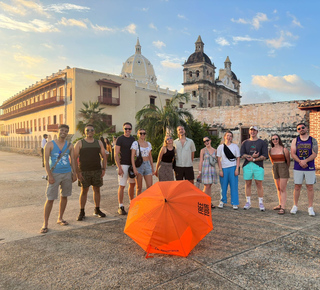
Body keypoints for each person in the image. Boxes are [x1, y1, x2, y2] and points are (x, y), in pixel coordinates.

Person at [40, 125, 77, 233]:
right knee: (50, 198)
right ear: (58, 131)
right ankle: (45, 223)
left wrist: (74, 173)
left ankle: (60, 218)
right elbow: (46, 161)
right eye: (62, 130)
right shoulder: (50, 144)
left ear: (68, 133)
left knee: (64, 196)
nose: (64, 132)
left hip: (67, 173)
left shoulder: (70, 145)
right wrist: (50, 175)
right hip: (55, 173)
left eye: (66, 131)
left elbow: (73, 160)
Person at [74, 124, 107, 221]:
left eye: (92, 130)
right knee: (84, 191)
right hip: (84, 171)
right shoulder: (80, 143)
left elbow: (104, 156)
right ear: (84, 132)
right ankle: (82, 211)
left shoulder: (98, 143)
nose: (90, 132)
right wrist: (77, 172)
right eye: (87, 130)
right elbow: (74, 157)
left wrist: (103, 169)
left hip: (97, 170)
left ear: (94, 131)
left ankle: (97, 209)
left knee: (97, 190)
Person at [290, 122, 318, 216]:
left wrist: (305, 161)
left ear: (306, 128)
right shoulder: (295, 140)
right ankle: (295, 206)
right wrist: (300, 162)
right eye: (299, 129)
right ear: (297, 131)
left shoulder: (313, 140)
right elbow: (293, 153)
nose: (301, 129)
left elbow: (314, 153)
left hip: (309, 167)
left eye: (302, 127)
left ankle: (310, 207)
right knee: (297, 186)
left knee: (310, 187)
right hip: (298, 166)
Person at [240, 126, 268, 211]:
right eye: (251, 130)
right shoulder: (245, 142)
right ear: (249, 132)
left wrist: (255, 159)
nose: (253, 132)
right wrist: (250, 156)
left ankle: (260, 203)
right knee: (248, 184)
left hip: (258, 165)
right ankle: (248, 202)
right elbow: (242, 154)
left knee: (259, 184)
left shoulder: (262, 142)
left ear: (257, 132)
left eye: (254, 130)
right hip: (247, 165)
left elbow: (265, 156)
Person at [115, 122, 136, 215]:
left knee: (132, 185)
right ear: (123, 129)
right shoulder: (120, 139)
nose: (127, 130)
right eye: (126, 129)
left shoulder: (133, 139)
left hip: (131, 165)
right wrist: (119, 167)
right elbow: (116, 154)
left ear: (131, 129)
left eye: (129, 129)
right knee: (122, 185)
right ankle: (121, 206)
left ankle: (131, 202)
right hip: (123, 165)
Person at [217, 131, 240, 210]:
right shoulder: (220, 147)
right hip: (223, 168)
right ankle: (222, 201)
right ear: (224, 136)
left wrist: (237, 169)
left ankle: (235, 202)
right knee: (223, 186)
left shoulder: (235, 146)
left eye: (230, 136)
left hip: (233, 167)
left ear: (232, 138)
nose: (229, 137)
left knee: (234, 186)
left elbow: (238, 158)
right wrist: (220, 170)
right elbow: (218, 159)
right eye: (227, 135)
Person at [269, 134, 290, 215]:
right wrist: (276, 167)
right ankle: (280, 204)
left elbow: (288, 161)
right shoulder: (270, 150)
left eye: (276, 139)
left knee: (282, 188)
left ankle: (283, 207)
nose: (275, 140)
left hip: (283, 167)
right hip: (275, 168)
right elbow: (272, 161)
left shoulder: (284, 150)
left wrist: (285, 168)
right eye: (273, 139)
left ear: (279, 139)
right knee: (278, 188)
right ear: (272, 141)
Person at [131, 129, 154, 195]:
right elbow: (132, 157)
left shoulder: (148, 144)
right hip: (139, 165)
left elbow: (150, 156)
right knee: (139, 187)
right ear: (138, 134)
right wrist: (134, 168)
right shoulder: (135, 143)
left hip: (147, 164)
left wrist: (152, 167)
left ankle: (149, 202)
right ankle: (139, 203)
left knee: (150, 186)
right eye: (141, 133)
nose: (142, 135)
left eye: (144, 133)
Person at [197, 136, 217, 208]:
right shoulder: (203, 150)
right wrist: (199, 172)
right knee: (206, 186)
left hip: (212, 170)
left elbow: (217, 160)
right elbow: (201, 162)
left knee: (209, 186)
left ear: (210, 141)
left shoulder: (215, 150)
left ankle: (208, 202)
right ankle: (202, 202)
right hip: (205, 170)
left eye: (207, 140)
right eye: (204, 141)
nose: (206, 142)